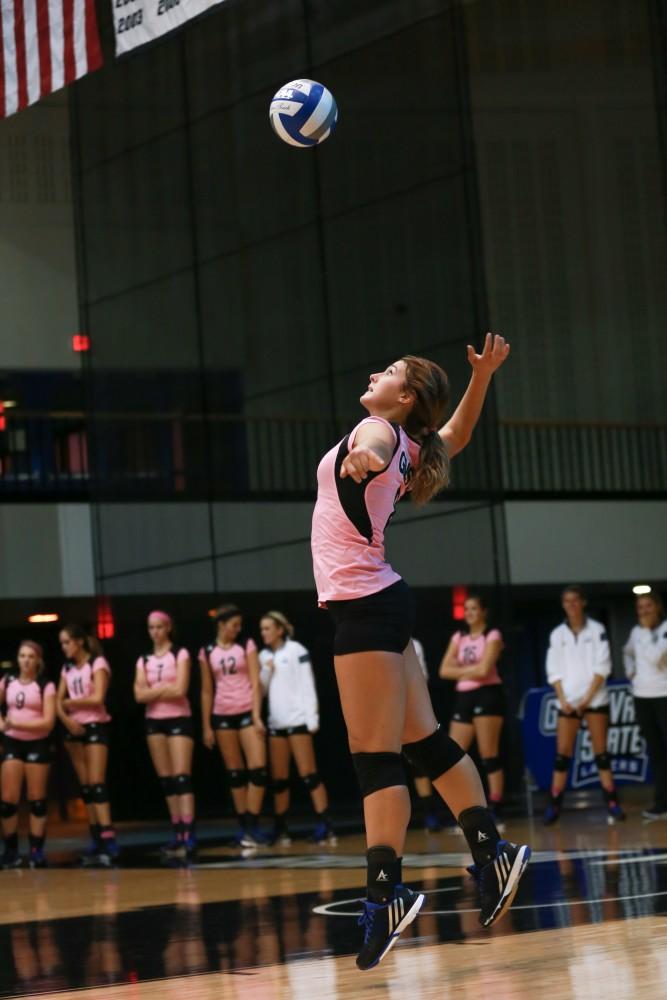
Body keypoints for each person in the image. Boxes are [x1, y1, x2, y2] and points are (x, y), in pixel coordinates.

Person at [310, 334, 530, 971]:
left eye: (388, 372)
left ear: (401, 398)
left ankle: (386, 891)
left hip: (364, 606)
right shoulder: (417, 443)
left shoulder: (380, 431)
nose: (374, 373)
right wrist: (482, 376)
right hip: (381, 601)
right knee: (424, 742)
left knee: (374, 758)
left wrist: (364, 456)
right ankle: (492, 850)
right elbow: (453, 435)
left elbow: (373, 443)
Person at [543, 586, 624, 826]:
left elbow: (603, 667)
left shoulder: (597, 630)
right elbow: (553, 671)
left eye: (575, 600)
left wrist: (586, 700)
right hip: (567, 703)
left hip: (595, 700)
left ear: (583, 602)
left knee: (601, 754)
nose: (571, 605)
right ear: (563, 605)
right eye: (567, 601)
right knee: (562, 756)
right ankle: (554, 804)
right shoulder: (557, 634)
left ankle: (612, 802)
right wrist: (565, 700)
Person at [258, 610, 336, 846]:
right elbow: (259, 692)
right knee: (279, 779)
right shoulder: (263, 656)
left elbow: (307, 685)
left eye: (268, 628)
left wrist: (311, 719)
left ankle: (325, 824)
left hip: (298, 721)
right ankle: (281, 828)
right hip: (276, 723)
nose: (264, 633)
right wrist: (266, 670)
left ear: (280, 629)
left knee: (309, 775)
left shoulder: (297, 651)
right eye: (262, 629)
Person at [199, 604, 267, 848]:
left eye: (239, 625)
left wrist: (257, 715)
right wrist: (206, 726)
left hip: (247, 710)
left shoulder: (246, 644)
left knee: (258, 767)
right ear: (221, 624)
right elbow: (207, 690)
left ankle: (253, 822)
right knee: (235, 773)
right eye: (233, 625)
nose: (237, 629)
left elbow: (255, 681)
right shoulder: (207, 651)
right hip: (222, 714)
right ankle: (245, 828)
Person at [438, 595, 506, 829]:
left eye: (474, 608)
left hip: (488, 695)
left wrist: (464, 670)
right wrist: (473, 671)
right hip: (464, 697)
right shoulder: (459, 637)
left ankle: (496, 808)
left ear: (483, 611)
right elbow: (444, 670)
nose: (469, 612)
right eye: (466, 609)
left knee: (489, 756)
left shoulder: (492, 635)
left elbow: (487, 669)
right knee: (454, 757)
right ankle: (464, 812)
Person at [134, 611, 196, 856]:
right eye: (151, 627)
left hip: (178, 718)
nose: (155, 632)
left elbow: (180, 689)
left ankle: (189, 832)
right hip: (154, 721)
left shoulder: (179, 653)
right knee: (167, 779)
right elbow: (138, 695)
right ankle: (178, 832)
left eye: (159, 627)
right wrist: (164, 689)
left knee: (182, 776)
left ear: (168, 627)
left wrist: (153, 691)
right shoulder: (144, 659)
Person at [56, 624, 119, 865]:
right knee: (86, 788)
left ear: (79, 641)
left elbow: (98, 697)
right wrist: (67, 720)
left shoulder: (97, 663)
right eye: (62, 643)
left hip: (95, 726)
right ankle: (96, 839)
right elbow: (58, 703)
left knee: (97, 782)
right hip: (74, 727)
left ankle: (108, 836)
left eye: (67, 642)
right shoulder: (67, 668)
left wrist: (71, 702)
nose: (65, 647)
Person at [0, 641, 56, 868]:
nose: (25, 660)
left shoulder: (45, 685)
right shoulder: (7, 681)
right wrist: (3, 724)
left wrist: (18, 724)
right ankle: (11, 850)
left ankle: (36, 850)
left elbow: (48, 723)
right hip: (12, 743)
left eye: (30, 656)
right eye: (22, 656)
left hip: (37, 745)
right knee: (8, 801)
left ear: (38, 660)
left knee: (37, 800)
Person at [623, 591, 667, 822]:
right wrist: (631, 671)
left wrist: (649, 631)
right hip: (643, 696)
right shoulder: (636, 632)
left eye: (648, 606)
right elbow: (628, 652)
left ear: (657, 607)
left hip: (664, 694)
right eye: (640, 607)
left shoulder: (664, 629)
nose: (644, 611)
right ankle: (661, 804)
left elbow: (657, 658)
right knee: (656, 751)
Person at [407, 638, 442, 832]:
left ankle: (433, 812)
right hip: (388, 708)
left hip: (414, 706)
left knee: (423, 758)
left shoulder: (413, 643)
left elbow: (422, 676)